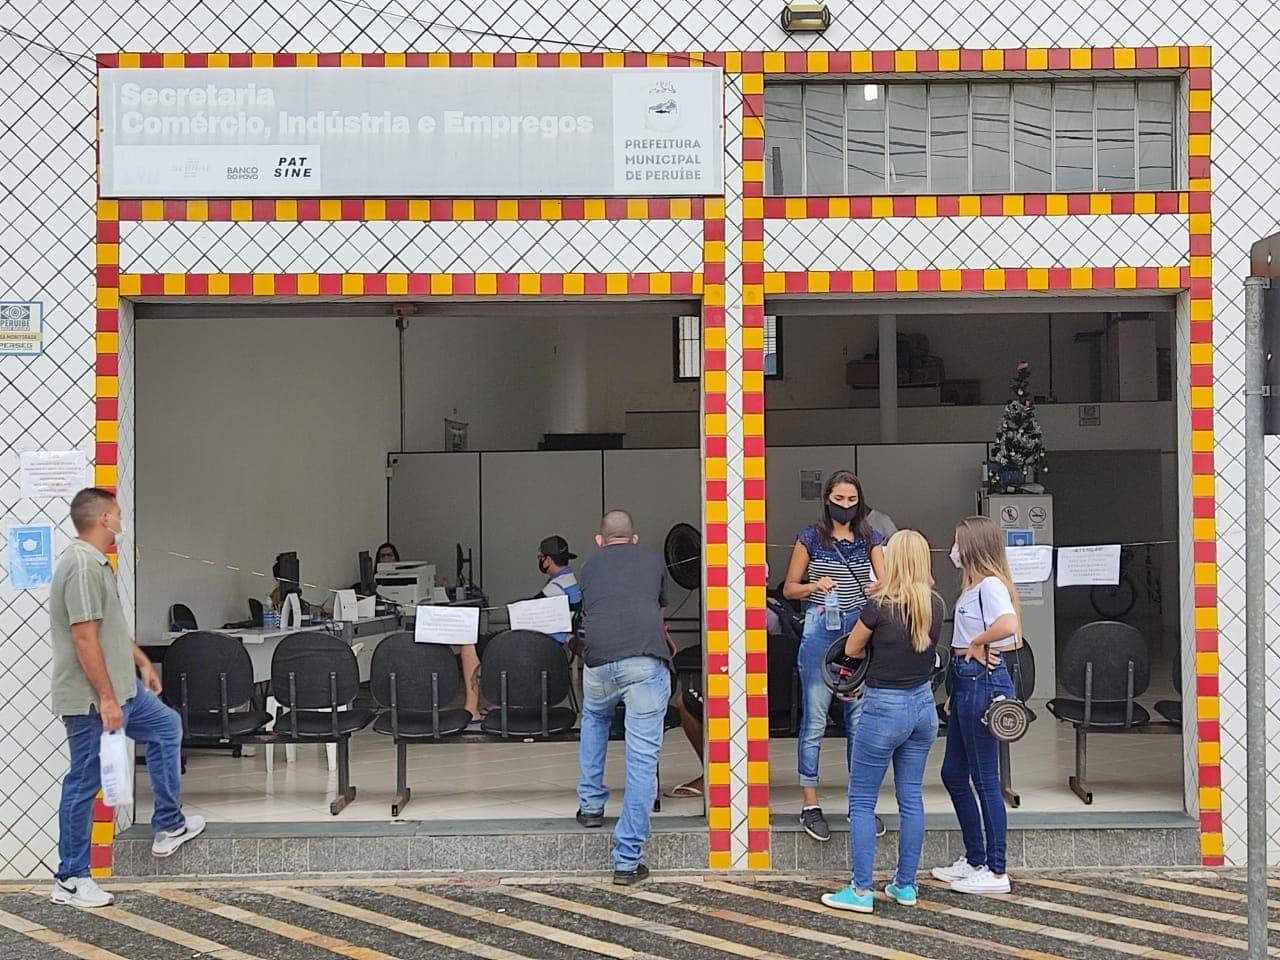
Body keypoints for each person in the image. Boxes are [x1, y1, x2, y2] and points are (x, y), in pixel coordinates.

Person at [49, 488, 205, 909]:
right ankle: (71, 878)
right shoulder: (82, 566)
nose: (122, 520)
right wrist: (106, 699)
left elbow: (110, 630)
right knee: (84, 782)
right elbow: (84, 639)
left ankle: (169, 824)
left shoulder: (99, 564)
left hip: (125, 689)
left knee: (167, 727)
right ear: (103, 519)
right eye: (117, 513)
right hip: (93, 700)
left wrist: (142, 663)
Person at [821, 530, 944, 914]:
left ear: (894, 561)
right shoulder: (935, 604)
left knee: (861, 801)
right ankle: (905, 885)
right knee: (911, 797)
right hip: (923, 707)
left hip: (884, 709)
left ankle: (860, 891)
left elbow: (852, 648)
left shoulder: (879, 607)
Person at [783, 470, 886, 842]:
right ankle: (810, 803)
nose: (845, 506)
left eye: (851, 500)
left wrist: (878, 586)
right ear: (826, 499)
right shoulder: (809, 537)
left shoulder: (871, 537)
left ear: (860, 502)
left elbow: (888, 583)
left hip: (859, 627)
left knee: (859, 721)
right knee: (815, 718)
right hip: (820, 626)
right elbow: (789, 588)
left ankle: (860, 803)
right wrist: (814, 585)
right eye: (839, 499)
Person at [575, 509, 671, 886]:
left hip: (598, 663)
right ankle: (627, 860)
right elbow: (657, 607)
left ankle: (591, 805)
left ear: (600, 540)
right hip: (644, 662)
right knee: (642, 759)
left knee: (594, 717)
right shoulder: (652, 559)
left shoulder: (589, 566)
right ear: (634, 538)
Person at [932, 515, 1022, 895]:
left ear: (971, 547)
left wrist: (978, 642)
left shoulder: (990, 586)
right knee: (953, 773)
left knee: (985, 779)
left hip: (982, 684)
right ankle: (974, 858)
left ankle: (997, 870)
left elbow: (1009, 626)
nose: (953, 549)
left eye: (958, 542)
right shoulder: (973, 588)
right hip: (966, 682)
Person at [665, 565, 782, 800]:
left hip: (750, 693)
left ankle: (711, 774)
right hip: (774, 695)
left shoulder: (747, 612)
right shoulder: (774, 610)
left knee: (684, 702)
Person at [537, 535, 582, 644]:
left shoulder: (557, 586)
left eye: (541, 558)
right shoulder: (570, 579)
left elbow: (530, 612)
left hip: (555, 643)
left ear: (548, 560)